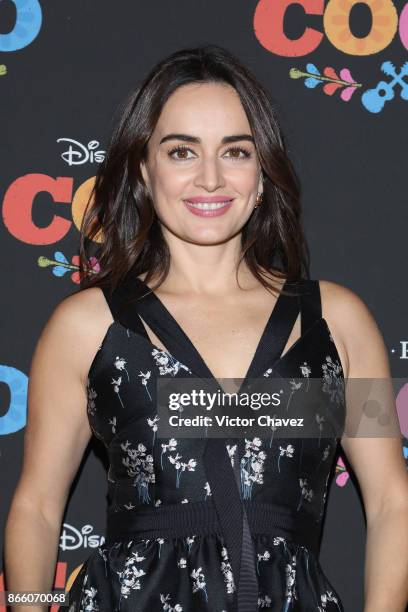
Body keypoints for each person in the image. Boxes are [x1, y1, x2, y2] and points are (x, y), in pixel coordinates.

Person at [4, 45, 408, 612]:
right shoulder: (87, 327)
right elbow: (39, 507)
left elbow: (392, 500)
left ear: (262, 174)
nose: (211, 178)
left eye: (236, 151)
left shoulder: (337, 324)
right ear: (145, 170)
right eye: (182, 151)